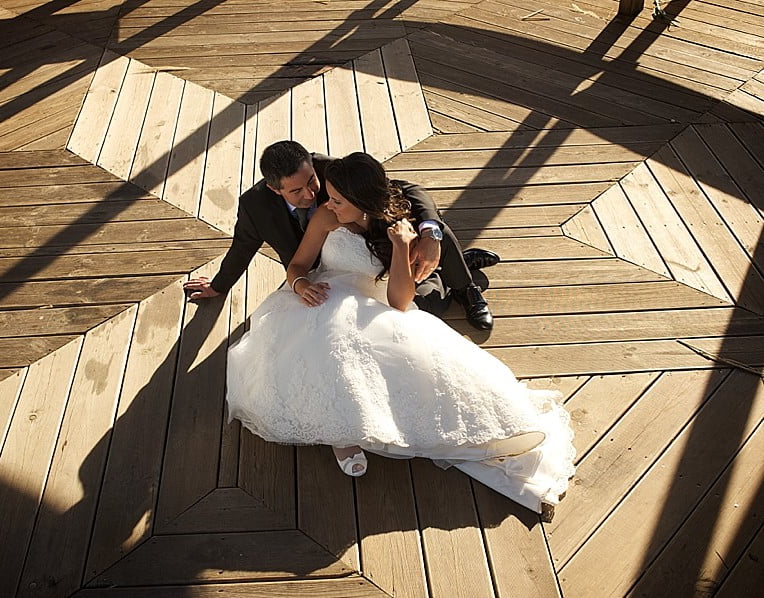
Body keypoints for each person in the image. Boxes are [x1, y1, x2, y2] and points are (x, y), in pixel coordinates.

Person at [225, 152, 574, 518]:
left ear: (361, 200)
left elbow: (398, 300)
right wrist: (298, 285)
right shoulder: (327, 216)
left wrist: (401, 248)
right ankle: (341, 434)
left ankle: (462, 274)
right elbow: (298, 264)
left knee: (416, 361)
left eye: (338, 200)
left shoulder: (396, 226)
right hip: (325, 293)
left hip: (377, 301)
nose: (326, 204)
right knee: (330, 343)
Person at [183, 140, 499, 329]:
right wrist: (218, 285)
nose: (311, 194)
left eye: (312, 182)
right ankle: (456, 262)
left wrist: (429, 233)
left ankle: (462, 283)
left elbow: (405, 191)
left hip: (382, 257)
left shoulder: (333, 171)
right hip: (326, 277)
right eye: (296, 191)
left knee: (428, 302)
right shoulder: (256, 206)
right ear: (274, 189)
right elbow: (243, 247)